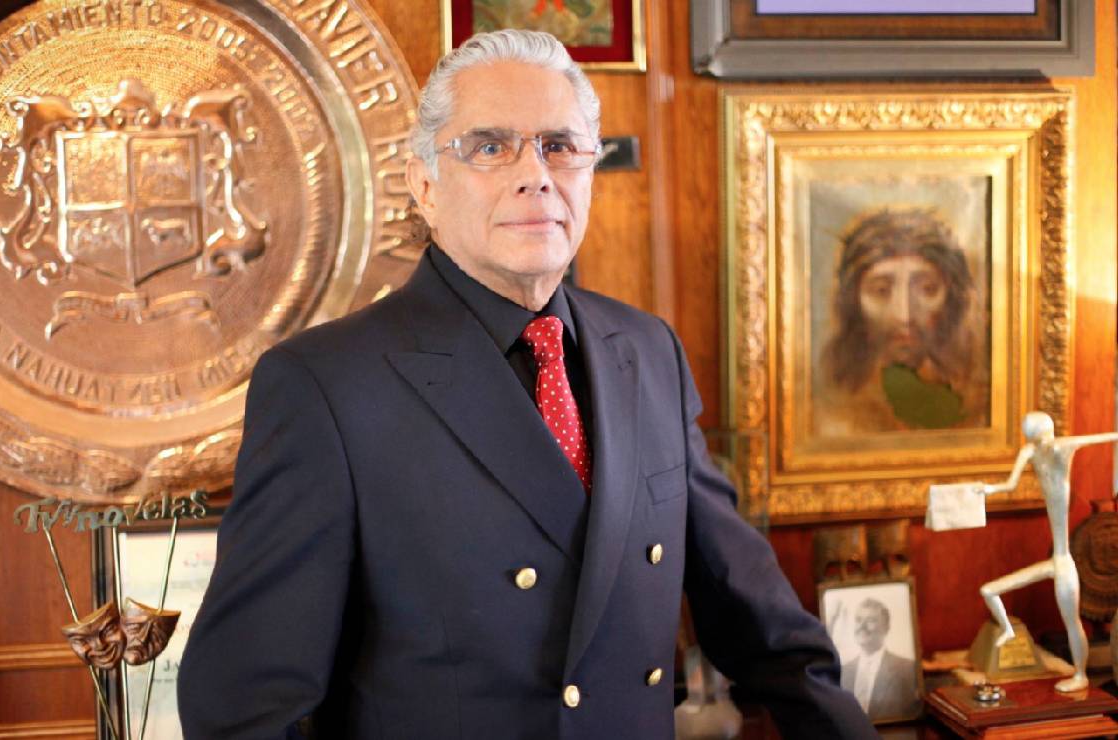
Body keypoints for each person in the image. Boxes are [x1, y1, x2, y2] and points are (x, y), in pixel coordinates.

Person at [177, 29, 873, 739]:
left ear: (590, 169)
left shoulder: (647, 351)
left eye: (559, 146)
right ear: (424, 185)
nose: (535, 174)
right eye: (489, 147)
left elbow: (757, 620)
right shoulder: (325, 386)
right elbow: (242, 709)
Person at [974, 411, 1118, 692]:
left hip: (1065, 563)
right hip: (1054, 561)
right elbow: (1010, 485)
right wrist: (986, 490)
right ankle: (1008, 630)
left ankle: (1080, 675)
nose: (1037, 442)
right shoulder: (1030, 451)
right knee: (989, 590)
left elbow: (1106, 437)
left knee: (1072, 622)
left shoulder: (1061, 448)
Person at [817, 207, 987, 434]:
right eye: (881, 290)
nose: (904, 315)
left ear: (953, 300)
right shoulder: (828, 409)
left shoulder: (980, 403)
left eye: (927, 289)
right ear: (852, 302)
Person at [838, 598, 920, 721]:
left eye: (870, 620)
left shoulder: (907, 669)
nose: (862, 626)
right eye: (858, 620)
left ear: (886, 628)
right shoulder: (843, 671)